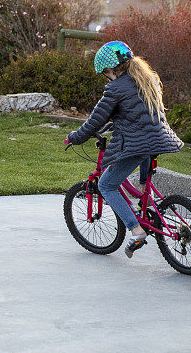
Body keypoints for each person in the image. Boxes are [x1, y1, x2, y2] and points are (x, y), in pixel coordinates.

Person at [65, 41, 183, 258]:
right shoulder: (149, 78)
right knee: (142, 178)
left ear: (111, 69)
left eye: (105, 73)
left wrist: (75, 137)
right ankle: (145, 205)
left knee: (106, 184)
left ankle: (136, 230)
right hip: (159, 139)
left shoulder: (115, 88)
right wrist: (117, 123)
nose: (106, 77)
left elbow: (95, 120)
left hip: (138, 144)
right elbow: (139, 112)